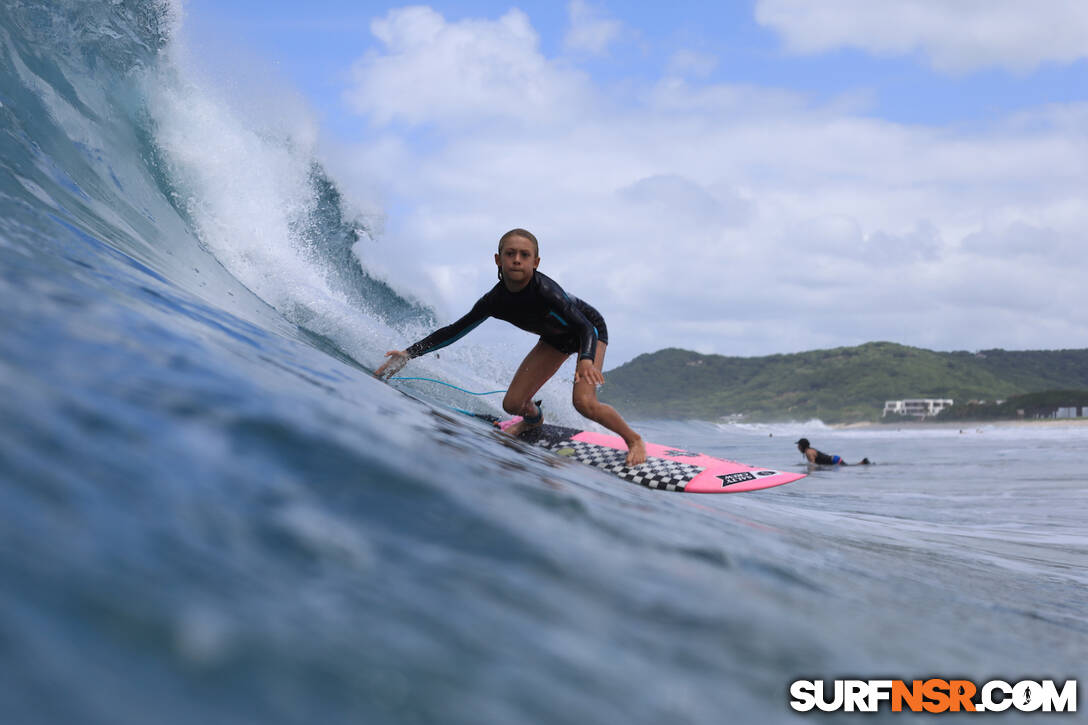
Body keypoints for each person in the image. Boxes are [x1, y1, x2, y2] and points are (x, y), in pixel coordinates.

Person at [374, 228, 647, 466]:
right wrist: (409, 353)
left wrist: (587, 359)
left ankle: (634, 440)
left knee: (583, 403)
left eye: (524, 255)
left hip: (590, 330)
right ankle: (533, 420)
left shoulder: (546, 291)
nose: (517, 259)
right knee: (513, 404)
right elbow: (455, 330)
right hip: (556, 339)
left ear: (536, 262)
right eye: (510, 253)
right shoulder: (494, 301)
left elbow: (585, 327)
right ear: (498, 259)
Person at [795, 438, 870, 466]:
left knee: (848, 467)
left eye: (798, 445)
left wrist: (810, 475)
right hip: (834, 459)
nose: (798, 447)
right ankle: (863, 462)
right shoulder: (810, 450)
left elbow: (813, 465)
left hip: (834, 460)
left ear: (802, 446)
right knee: (848, 466)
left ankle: (863, 463)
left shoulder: (808, 452)